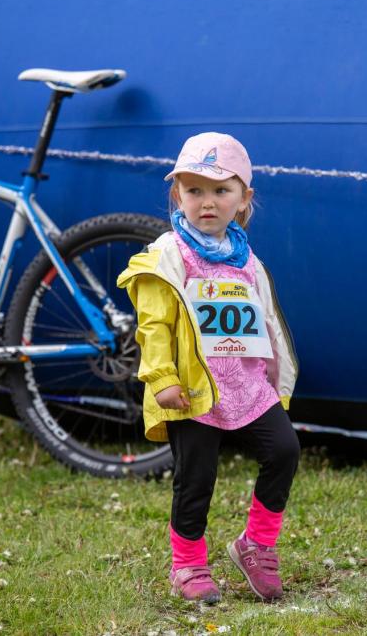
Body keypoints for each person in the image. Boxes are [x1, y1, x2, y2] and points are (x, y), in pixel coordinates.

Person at [117, 132, 300, 604]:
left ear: (244, 198)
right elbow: (153, 325)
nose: (208, 202)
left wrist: (275, 379)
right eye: (194, 190)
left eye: (221, 190)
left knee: (284, 450)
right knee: (196, 479)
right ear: (178, 194)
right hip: (192, 390)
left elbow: (266, 323)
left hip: (247, 386)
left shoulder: (248, 261)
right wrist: (163, 379)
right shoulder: (169, 255)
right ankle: (188, 565)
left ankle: (256, 545)